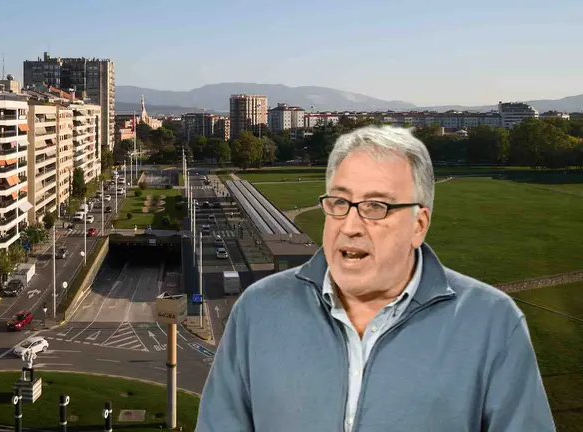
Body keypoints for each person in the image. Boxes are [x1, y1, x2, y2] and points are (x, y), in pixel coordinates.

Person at [197, 126, 554, 431]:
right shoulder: (259, 309)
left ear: (418, 225)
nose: (350, 226)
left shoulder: (492, 321)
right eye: (339, 203)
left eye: (375, 207)